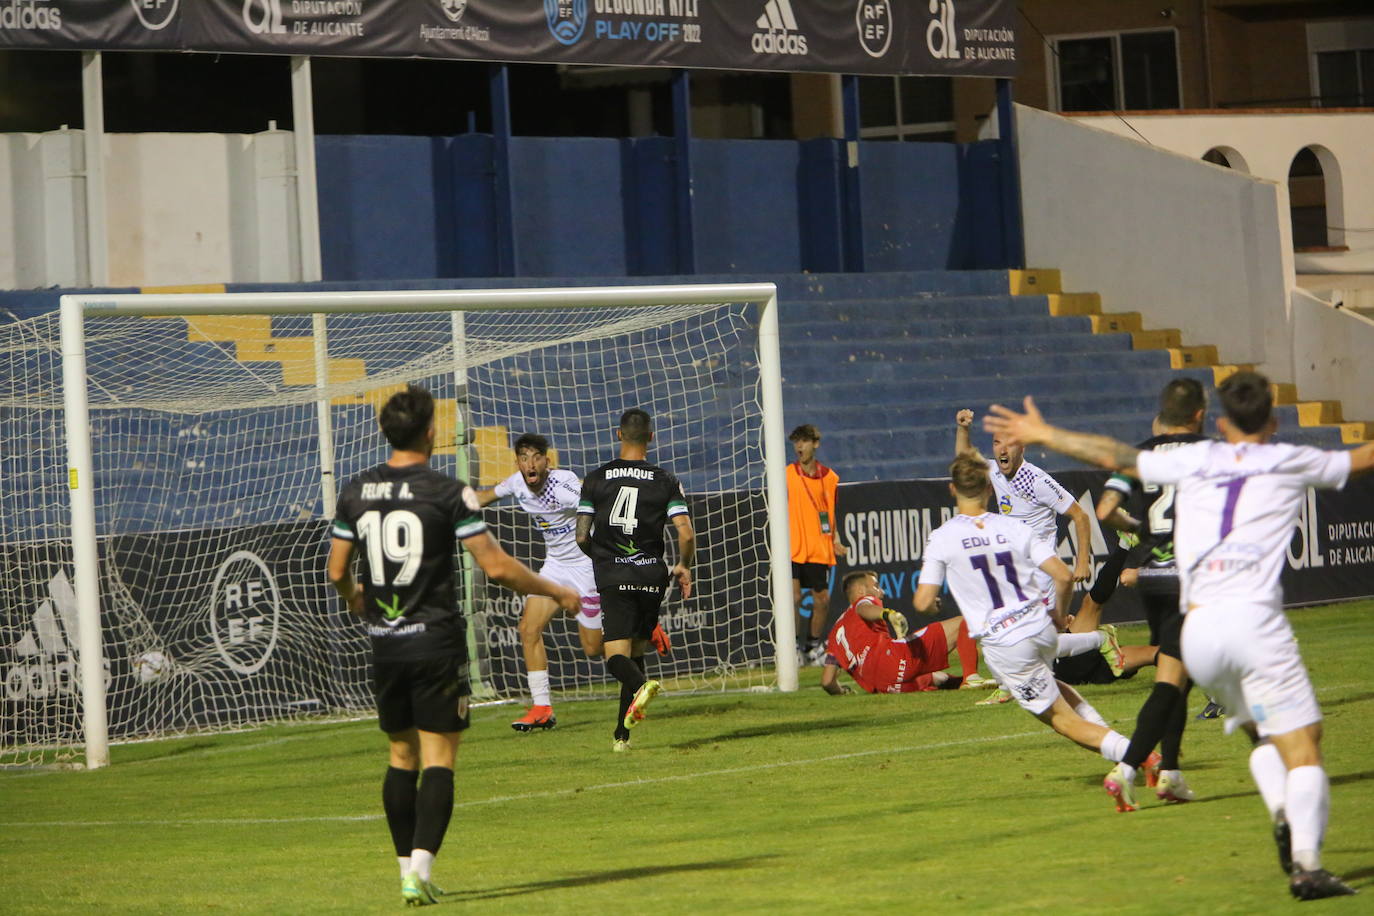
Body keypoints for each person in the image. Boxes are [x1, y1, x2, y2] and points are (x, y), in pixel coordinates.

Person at [984, 371, 1374, 900]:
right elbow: (1358, 458)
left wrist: (1046, 433)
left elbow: (1114, 454)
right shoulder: (1286, 458)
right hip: (1252, 622)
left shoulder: (1196, 458)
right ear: (1273, 421)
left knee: (1256, 729)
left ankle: (1277, 806)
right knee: (1304, 746)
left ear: (1220, 422)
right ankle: (1305, 861)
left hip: (1201, 629)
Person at [328, 385, 580, 906]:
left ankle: (404, 871)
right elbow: (496, 566)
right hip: (436, 642)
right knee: (439, 758)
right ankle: (420, 870)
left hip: (385, 642)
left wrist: (356, 595)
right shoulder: (449, 491)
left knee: (401, 755)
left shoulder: (354, 490)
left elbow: (335, 571)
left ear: (383, 432)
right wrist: (556, 588)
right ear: (431, 433)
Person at [913, 452, 1132, 768]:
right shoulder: (1013, 526)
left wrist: (932, 604)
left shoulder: (943, 537)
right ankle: (1122, 754)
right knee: (1059, 692)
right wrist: (1058, 615)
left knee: (1060, 719)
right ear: (990, 489)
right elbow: (1063, 575)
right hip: (1038, 627)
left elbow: (922, 602)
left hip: (1005, 643)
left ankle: (1138, 756)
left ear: (951, 490)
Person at [477, 434, 670, 732]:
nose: (531, 463)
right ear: (517, 462)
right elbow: (482, 497)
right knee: (528, 628)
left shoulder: (563, 485)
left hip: (587, 567)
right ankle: (542, 708)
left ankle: (643, 625)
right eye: (524, 458)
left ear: (547, 461)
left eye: (536, 457)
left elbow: (600, 505)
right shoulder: (516, 483)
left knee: (593, 649)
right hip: (555, 567)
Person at [1092, 379, 1211, 810]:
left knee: (1178, 671)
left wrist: (1140, 531)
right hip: (1191, 580)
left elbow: (1105, 511)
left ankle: (1172, 774)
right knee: (1170, 679)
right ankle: (1126, 769)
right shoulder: (1211, 453)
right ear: (1199, 413)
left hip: (1153, 578)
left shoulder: (1139, 454)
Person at [576, 408, 695, 753]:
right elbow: (685, 533)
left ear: (618, 435)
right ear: (651, 438)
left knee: (613, 654)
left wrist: (603, 560)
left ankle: (642, 686)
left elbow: (582, 535)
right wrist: (684, 565)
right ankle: (621, 736)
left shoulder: (595, 478)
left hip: (615, 573)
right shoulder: (665, 480)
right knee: (636, 650)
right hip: (651, 575)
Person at [820, 570, 970, 695]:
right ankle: (973, 676)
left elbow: (827, 681)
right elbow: (864, 608)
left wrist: (842, 692)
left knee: (939, 679)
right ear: (861, 590)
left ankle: (963, 683)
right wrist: (887, 614)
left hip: (883, 686)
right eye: (877, 586)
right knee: (966, 622)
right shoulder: (862, 602)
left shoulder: (834, 634)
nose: (882, 592)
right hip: (891, 660)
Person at [786, 424, 847, 664]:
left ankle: (811, 648)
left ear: (815, 443)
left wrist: (836, 540)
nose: (799, 446)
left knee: (822, 600)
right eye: (796, 442)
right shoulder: (787, 474)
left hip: (818, 548)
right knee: (793, 598)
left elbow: (829, 513)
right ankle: (791, 649)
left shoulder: (829, 478)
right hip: (792, 547)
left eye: (803, 441)